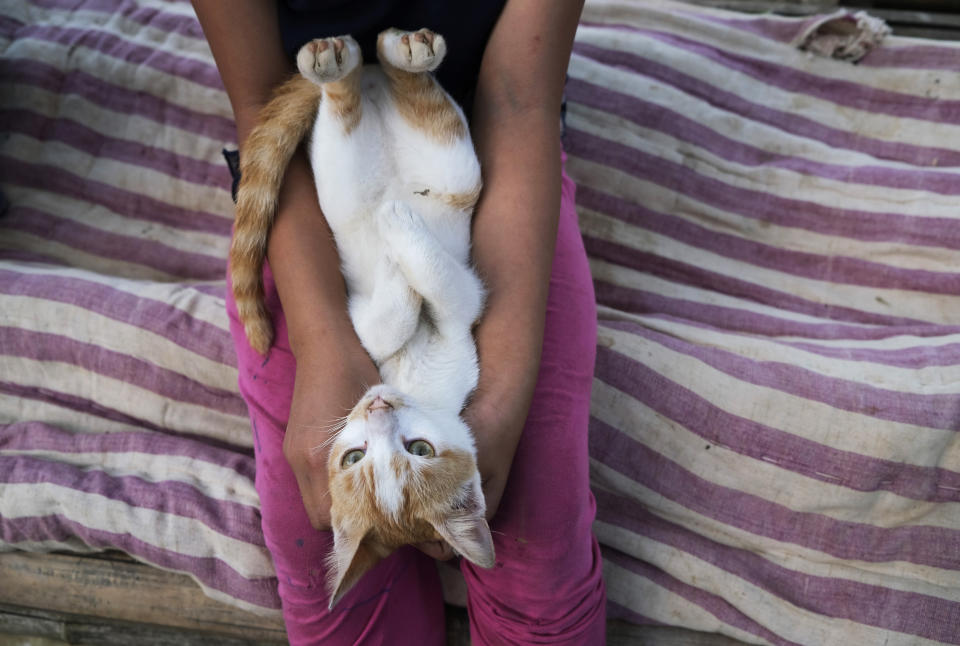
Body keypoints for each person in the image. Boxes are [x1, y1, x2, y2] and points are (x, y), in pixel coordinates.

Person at [192, 2, 606, 644]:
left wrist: (502, 401)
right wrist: (324, 345)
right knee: (318, 549)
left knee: (536, 540)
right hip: (316, 167)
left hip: (487, 152)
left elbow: (521, 98)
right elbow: (259, 103)